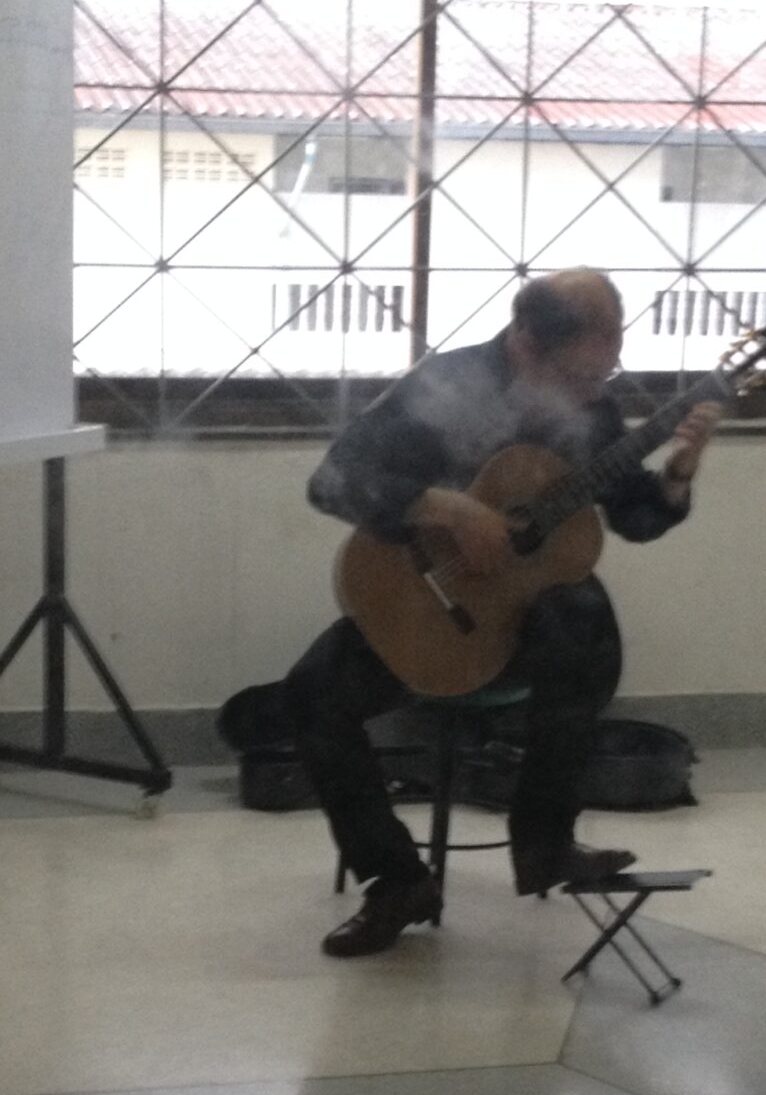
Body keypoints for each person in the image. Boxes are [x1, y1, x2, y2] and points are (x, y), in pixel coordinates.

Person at [286, 268, 720, 957]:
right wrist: (447, 508)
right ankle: (396, 880)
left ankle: (545, 843)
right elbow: (333, 481)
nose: (597, 385)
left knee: (581, 618)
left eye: (608, 363)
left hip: (524, 628)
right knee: (311, 696)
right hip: (425, 604)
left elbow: (635, 518)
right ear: (526, 342)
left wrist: (678, 472)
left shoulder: (589, 404)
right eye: (582, 369)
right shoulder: (445, 386)